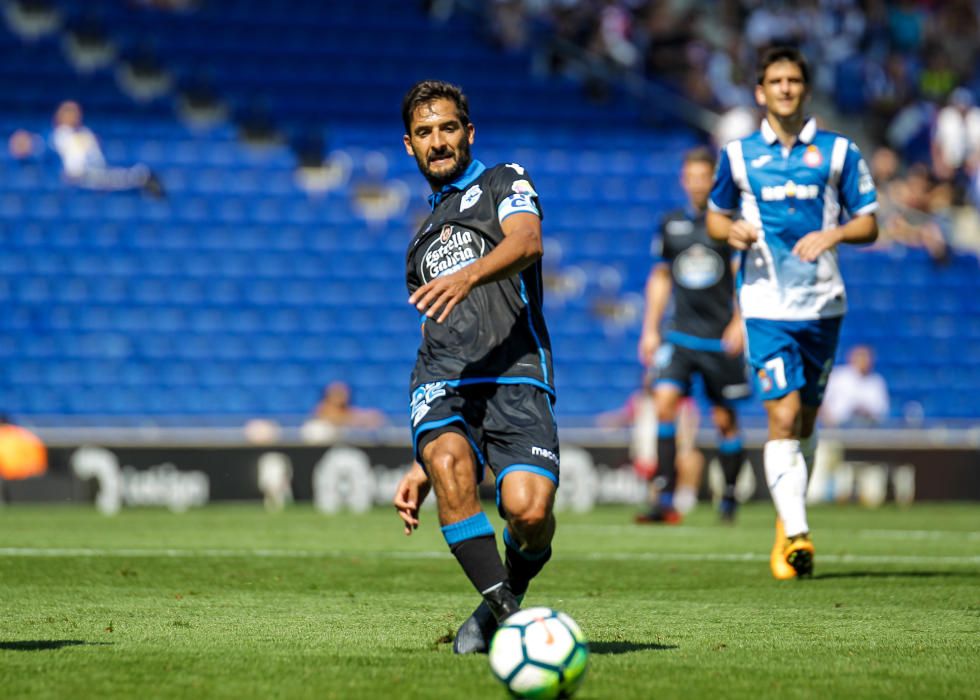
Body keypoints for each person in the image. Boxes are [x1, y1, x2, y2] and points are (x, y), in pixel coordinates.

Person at [392, 80, 559, 654]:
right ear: (409, 146)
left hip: (517, 371)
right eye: (424, 133)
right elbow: (432, 332)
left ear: (468, 133)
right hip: (446, 380)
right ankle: (516, 624)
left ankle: (497, 605)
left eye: (447, 128)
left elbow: (529, 242)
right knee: (445, 457)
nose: (437, 142)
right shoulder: (418, 246)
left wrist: (467, 274)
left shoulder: (503, 179)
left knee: (528, 513)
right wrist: (426, 465)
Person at [706, 46, 878, 579]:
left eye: (793, 80)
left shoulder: (838, 152)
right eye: (775, 81)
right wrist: (729, 230)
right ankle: (799, 534)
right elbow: (715, 217)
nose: (784, 88)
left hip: (823, 306)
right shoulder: (737, 156)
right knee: (780, 416)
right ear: (760, 92)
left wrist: (835, 232)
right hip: (765, 306)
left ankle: (788, 516)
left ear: (805, 89)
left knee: (804, 422)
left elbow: (870, 222)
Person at [635, 147, 752, 525]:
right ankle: (665, 497)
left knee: (724, 420)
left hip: (719, 339)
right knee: (664, 402)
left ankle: (730, 497)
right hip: (680, 336)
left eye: (705, 177)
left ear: (714, 181)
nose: (698, 183)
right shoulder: (671, 225)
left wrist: (739, 321)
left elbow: (742, 274)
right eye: (693, 177)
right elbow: (661, 277)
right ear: (685, 180)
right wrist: (650, 329)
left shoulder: (728, 223)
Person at [10, 100, 164, 197]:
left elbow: (96, 156)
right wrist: (25, 142)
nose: (73, 116)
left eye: (75, 112)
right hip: (74, 178)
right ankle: (140, 175)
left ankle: (140, 177)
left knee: (104, 178)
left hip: (94, 173)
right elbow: (34, 146)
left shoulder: (86, 133)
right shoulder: (54, 135)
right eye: (68, 112)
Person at [821, 345, 890, 428]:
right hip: (838, 428)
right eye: (861, 357)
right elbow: (822, 402)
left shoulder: (877, 381)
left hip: (867, 431)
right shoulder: (838, 376)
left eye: (867, 357)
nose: (864, 361)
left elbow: (882, 410)